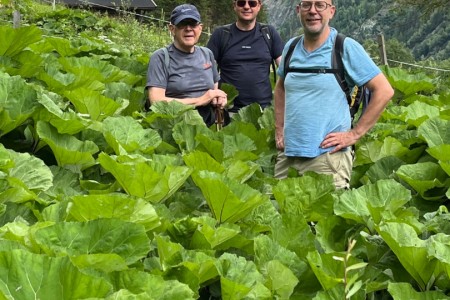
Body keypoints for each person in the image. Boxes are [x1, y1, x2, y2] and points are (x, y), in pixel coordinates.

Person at [274, 0, 394, 189]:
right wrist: (279, 128)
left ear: (331, 11)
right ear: (298, 10)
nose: (313, 11)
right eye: (307, 5)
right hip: (288, 155)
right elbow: (280, 88)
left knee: (324, 218)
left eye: (320, 5)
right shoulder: (291, 47)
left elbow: (384, 90)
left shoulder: (344, 47)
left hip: (327, 158)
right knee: (280, 215)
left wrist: (354, 134)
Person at [146, 4, 227, 127]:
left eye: (193, 24)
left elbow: (213, 90)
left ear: (200, 28)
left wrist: (219, 98)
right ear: (172, 29)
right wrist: (200, 100)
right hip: (175, 126)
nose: (188, 29)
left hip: (207, 126)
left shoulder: (207, 54)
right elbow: (156, 101)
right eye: (182, 24)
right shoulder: (161, 57)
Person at [206, 0, 284, 114]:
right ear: (234, 6)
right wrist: (213, 95)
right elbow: (207, 71)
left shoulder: (269, 33)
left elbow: (284, 69)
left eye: (252, 3)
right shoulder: (221, 34)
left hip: (264, 110)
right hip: (228, 109)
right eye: (241, 3)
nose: (246, 7)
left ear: (259, 6)